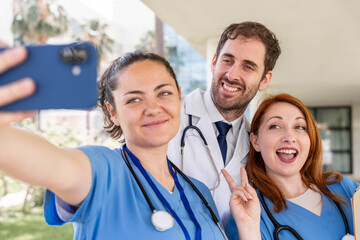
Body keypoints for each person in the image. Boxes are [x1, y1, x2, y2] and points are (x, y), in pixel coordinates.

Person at [0, 50, 230, 239]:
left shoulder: (199, 192)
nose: (153, 108)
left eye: (164, 93)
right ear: (113, 113)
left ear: (179, 97)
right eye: (134, 99)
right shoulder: (102, 173)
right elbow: (50, 164)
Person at [167, 21, 282, 227]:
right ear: (213, 62)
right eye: (227, 60)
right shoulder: (171, 117)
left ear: (265, 80)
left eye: (248, 66)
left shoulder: (257, 144)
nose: (232, 74)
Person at [224, 93, 358, 240]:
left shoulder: (345, 189)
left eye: (299, 127)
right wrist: (249, 229)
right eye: (275, 126)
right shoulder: (247, 215)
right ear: (255, 141)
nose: (289, 137)